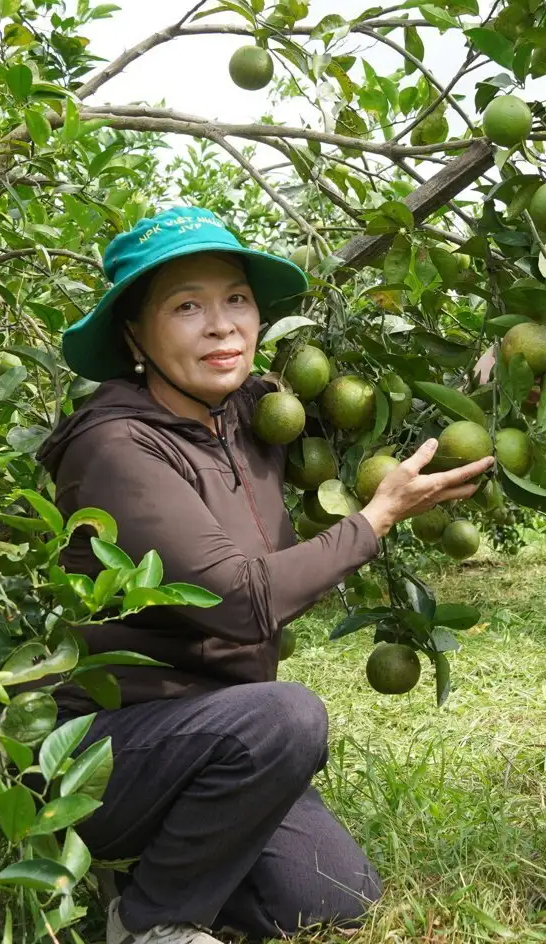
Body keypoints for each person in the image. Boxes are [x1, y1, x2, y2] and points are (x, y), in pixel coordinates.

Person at [36, 206, 494, 943]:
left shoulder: (258, 411)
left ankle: (156, 863)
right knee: (288, 715)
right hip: (107, 749)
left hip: (219, 735)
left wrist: (512, 389)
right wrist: (373, 521)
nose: (222, 327)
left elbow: (389, 429)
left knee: (332, 900)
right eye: (187, 306)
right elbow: (240, 602)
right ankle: (153, 922)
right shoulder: (117, 447)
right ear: (133, 336)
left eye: (236, 300)